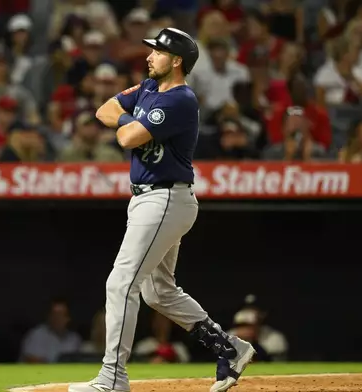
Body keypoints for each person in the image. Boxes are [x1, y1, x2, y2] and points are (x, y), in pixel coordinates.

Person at [68, 27, 255, 392]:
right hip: (147, 198)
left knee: (121, 282)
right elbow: (103, 109)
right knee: (158, 291)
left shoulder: (181, 99)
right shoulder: (150, 88)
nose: (150, 56)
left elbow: (125, 137)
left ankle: (112, 377)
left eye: (158, 52)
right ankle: (229, 348)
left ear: (177, 61)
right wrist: (131, 121)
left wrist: (131, 124)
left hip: (165, 197)